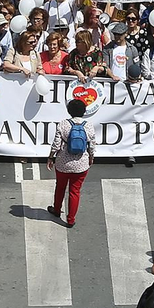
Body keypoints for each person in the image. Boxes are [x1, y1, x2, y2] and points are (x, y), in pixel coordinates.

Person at [46, 98, 96, 228]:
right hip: (81, 164)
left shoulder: (63, 124)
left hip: (63, 163)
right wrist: (91, 157)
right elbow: (92, 145)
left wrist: (51, 158)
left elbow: (56, 145)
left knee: (60, 187)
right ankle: (70, 219)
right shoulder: (89, 125)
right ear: (84, 111)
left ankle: (56, 210)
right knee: (75, 191)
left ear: (69, 111)